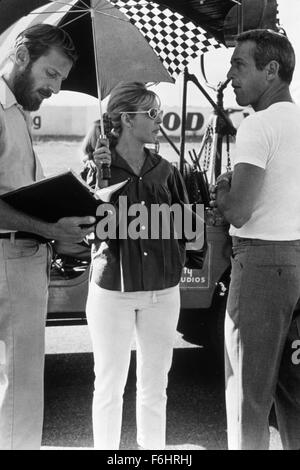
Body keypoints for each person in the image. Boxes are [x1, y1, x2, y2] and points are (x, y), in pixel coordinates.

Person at [85, 81, 203, 450]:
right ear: (126, 119)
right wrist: (97, 178)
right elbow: (86, 225)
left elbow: (190, 228)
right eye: (152, 113)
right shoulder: (98, 167)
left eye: (160, 112)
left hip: (162, 291)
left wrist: (177, 252)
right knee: (108, 385)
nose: (160, 120)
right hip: (111, 291)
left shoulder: (166, 169)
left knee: (155, 387)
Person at [0, 24, 95, 450]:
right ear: (21, 55)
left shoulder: (15, 112)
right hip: (8, 259)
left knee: (17, 385)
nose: (56, 88)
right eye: (52, 74)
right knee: (19, 391)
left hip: (20, 257)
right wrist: (49, 228)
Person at [211, 29, 300, 450]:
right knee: (294, 390)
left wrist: (222, 191)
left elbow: (239, 211)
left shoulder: (258, 126)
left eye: (238, 64)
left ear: (272, 70)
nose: (230, 75)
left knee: (247, 395)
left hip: (263, 262)